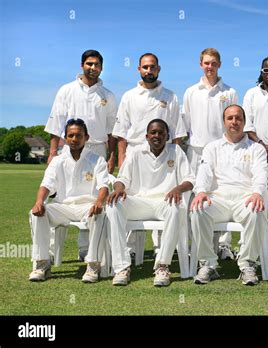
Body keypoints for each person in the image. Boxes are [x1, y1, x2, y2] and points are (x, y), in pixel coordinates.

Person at [44, 49, 117, 261]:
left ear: (101, 68)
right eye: (89, 64)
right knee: (57, 198)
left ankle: (86, 250)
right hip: (68, 149)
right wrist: (52, 153)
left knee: (92, 198)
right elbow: (55, 125)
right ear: (82, 65)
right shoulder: (66, 90)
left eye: (96, 65)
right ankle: (48, 254)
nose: (92, 68)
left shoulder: (108, 96)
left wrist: (111, 156)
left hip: (96, 150)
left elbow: (112, 130)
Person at [112, 52, 187, 255]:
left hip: (164, 155)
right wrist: (121, 163)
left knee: (163, 200)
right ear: (139, 69)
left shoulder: (170, 96)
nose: (149, 70)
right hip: (136, 156)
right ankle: (129, 251)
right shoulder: (129, 96)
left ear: (158, 69)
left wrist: (177, 159)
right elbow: (121, 136)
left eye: (152, 67)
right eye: (145, 67)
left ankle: (161, 250)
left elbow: (177, 134)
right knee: (131, 200)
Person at [106, 119, 195, 286]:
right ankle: (121, 268)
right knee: (113, 205)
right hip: (139, 202)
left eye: (161, 132)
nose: (157, 135)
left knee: (175, 208)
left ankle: (162, 265)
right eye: (153, 132)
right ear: (146, 136)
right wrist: (118, 189)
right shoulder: (136, 152)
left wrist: (178, 188)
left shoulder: (175, 150)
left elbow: (190, 179)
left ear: (168, 136)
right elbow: (123, 178)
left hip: (164, 202)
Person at [190, 105, 268, 286]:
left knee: (256, 210)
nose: (234, 122)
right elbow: (204, 171)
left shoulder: (256, 149)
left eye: (238, 118)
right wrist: (200, 190)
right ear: (224, 122)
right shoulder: (212, 147)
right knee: (197, 209)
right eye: (230, 118)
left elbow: (260, 173)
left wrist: (257, 192)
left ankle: (247, 264)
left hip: (245, 199)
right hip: (219, 199)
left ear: (244, 122)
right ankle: (208, 264)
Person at [29, 119, 109, 283]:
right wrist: (39, 201)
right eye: (70, 135)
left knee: (100, 214)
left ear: (86, 137)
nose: (74, 139)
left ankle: (93, 264)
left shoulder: (97, 160)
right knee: (36, 213)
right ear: (65, 138)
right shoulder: (58, 161)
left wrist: (99, 202)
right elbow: (46, 185)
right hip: (62, 206)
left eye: (78, 135)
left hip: (87, 207)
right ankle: (42, 263)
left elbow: (103, 186)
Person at [182, 48, 238, 260]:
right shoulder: (191, 91)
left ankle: (223, 245)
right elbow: (186, 124)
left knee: (222, 194)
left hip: (223, 152)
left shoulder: (229, 92)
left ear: (219, 65)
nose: (210, 67)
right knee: (195, 199)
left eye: (214, 63)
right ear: (201, 64)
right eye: (206, 63)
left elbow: (233, 122)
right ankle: (195, 244)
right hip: (196, 151)